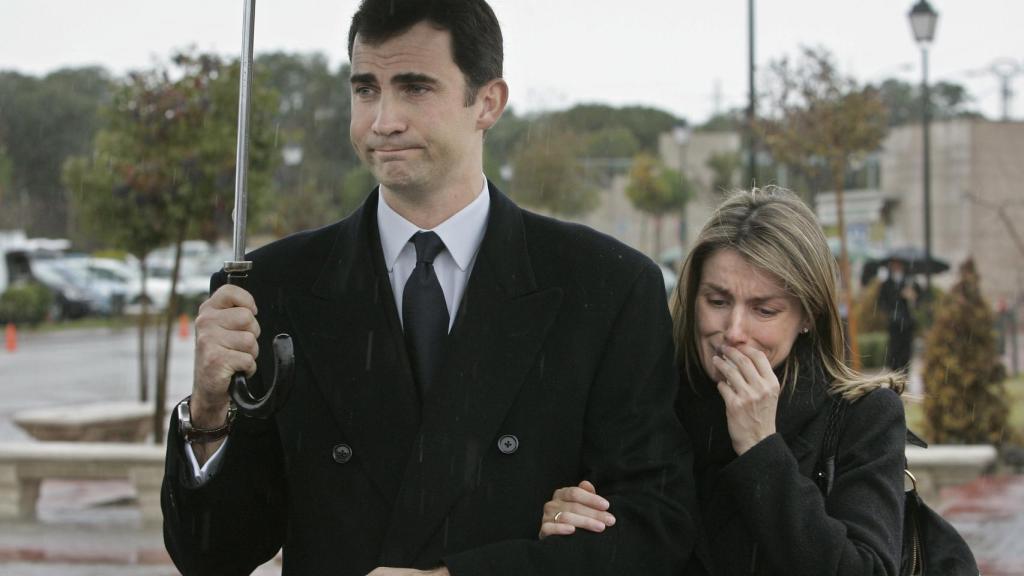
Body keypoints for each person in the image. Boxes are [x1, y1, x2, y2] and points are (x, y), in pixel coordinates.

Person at [161, 1, 699, 574]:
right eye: (366, 89)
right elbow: (212, 555)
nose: (382, 120)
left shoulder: (607, 287)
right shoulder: (268, 290)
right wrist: (209, 413)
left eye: (415, 88)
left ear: (487, 102)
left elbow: (656, 524)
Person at [539, 188, 908, 575]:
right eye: (717, 301)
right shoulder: (646, 401)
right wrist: (570, 522)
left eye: (764, 310)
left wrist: (762, 448)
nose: (734, 331)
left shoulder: (861, 416)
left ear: (808, 316)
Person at [878, 259, 920, 372]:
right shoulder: (886, 284)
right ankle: (895, 373)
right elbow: (882, 302)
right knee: (894, 350)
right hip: (894, 324)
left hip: (907, 323)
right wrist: (891, 311)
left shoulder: (910, 282)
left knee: (906, 350)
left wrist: (912, 297)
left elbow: (919, 301)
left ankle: (905, 374)